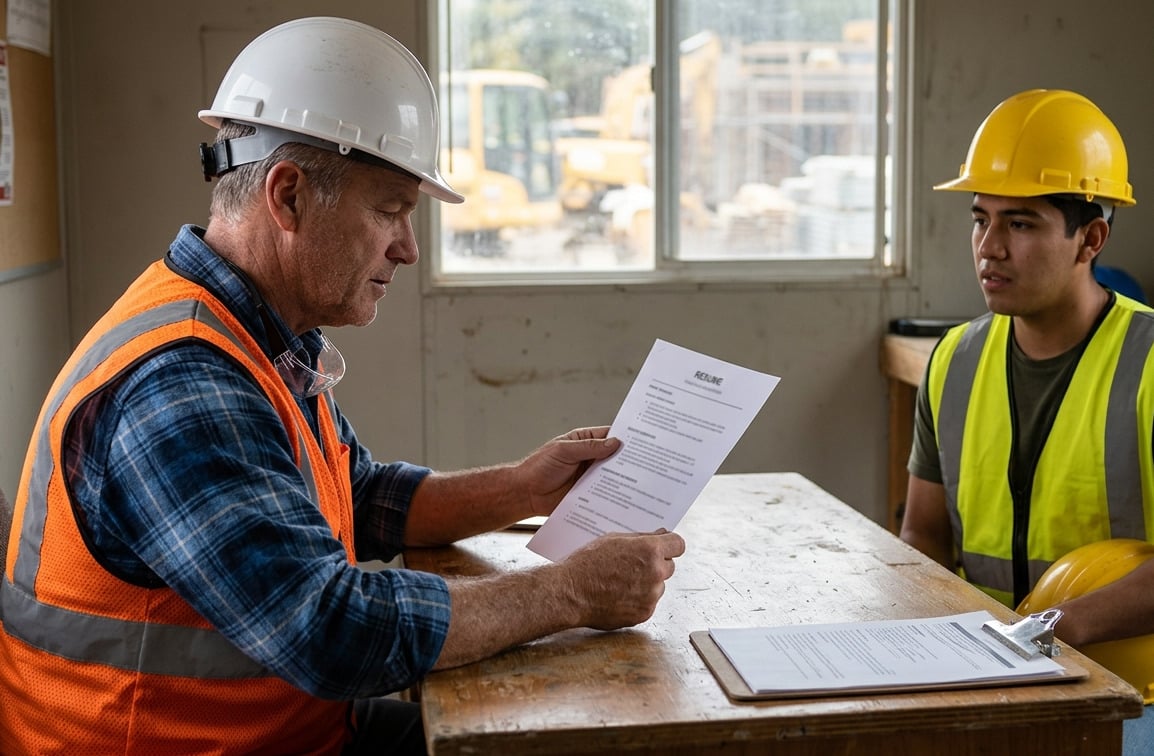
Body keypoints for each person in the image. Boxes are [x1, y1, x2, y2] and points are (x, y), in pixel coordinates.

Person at [0, 17, 685, 755]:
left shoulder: (258, 334)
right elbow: (331, 630)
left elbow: (359, 497)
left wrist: (522, 487)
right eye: (390, 209)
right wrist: (573, 591)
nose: (409, 248)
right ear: (288, 197)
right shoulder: (182, 381)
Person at [899, 88, 1154, 752]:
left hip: (1133, 694)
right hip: (993, 679)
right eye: (980, 219)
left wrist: (1050, 626)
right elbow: (922, 539)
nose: (989, 247)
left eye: (1021, 224)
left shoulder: (1150, 363)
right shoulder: (953, 359)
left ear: (1089, 239)